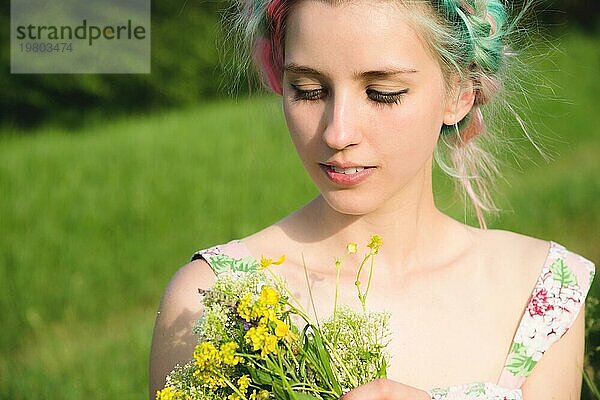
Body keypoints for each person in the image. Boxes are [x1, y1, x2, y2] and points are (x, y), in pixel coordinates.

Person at [149, 0, 596, 399]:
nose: (337, 133)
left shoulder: (541, 292)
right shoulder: (212, 300)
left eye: (383, 93)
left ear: (460, 92)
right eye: (307, 90)